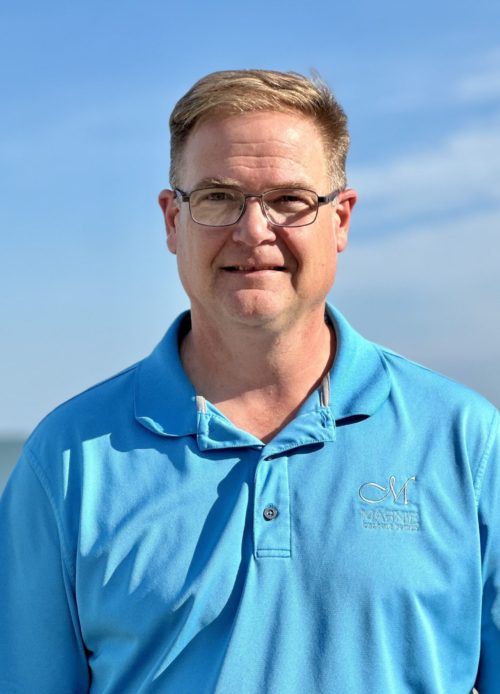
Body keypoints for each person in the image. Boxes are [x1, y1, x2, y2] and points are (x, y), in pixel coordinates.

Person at [0, 69, 498, 694]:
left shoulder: (468, 442)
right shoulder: (68, 459)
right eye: (217, 197)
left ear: (340, 220)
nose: (254, 230)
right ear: (172, 220)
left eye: (290, 200)